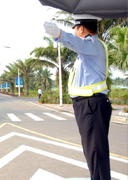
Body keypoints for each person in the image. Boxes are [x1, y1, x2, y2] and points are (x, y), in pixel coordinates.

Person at [43, 15, 112, 180]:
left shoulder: (92, 45)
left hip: (91, 105)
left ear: (82, 28)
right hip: (88, 105)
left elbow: (75, 42)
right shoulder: (88, 50)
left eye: (75, 28)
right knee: (93, 153)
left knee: (95, 153)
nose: (74, 31)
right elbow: (76, 44)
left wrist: (59, 33)